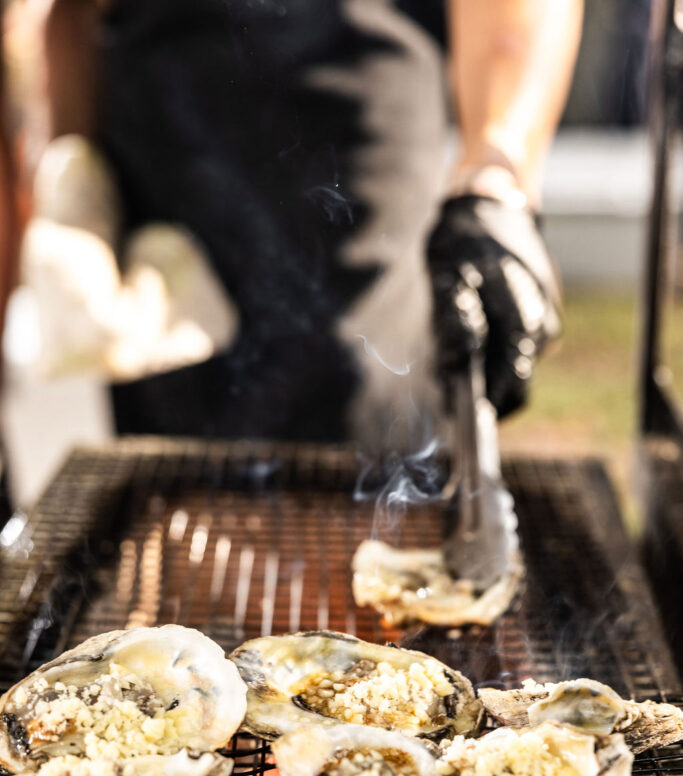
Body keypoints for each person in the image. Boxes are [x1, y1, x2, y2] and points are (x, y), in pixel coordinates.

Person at [34, 0, 581, 444]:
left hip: (354, 149)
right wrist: (78, 181)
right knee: (169, 467)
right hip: (163, 150)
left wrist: (495, 173)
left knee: (363, 413)